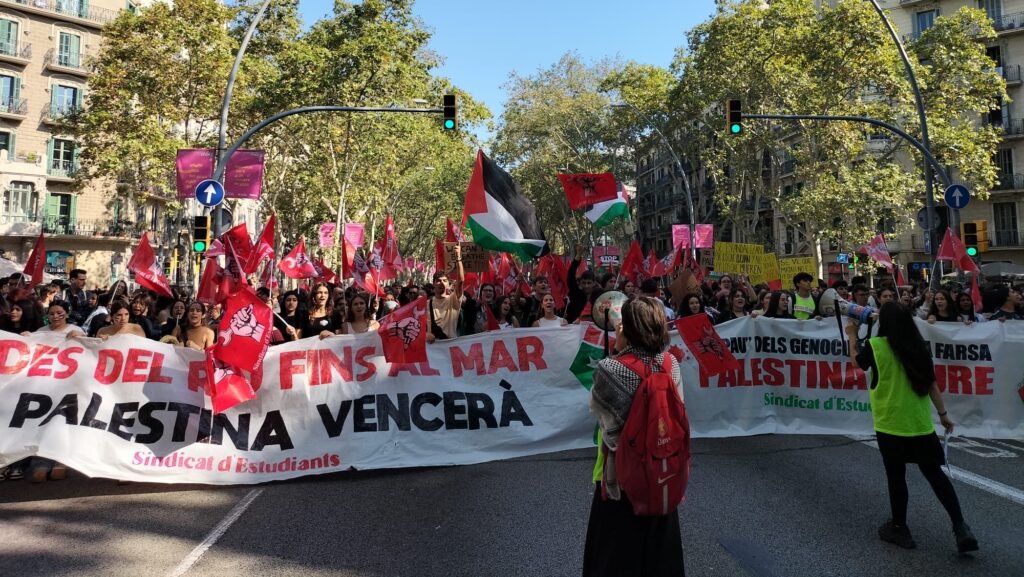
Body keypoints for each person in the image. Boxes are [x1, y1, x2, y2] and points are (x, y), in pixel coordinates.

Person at [846, 302, 977, 553]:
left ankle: (899, 527)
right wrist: (943, 415)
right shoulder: (919, 347)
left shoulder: (876, 345)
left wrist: (852, 335)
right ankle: (960, 526)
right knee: (935, 475)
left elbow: (856, 363)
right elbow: (931, 383)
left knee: (896, 477)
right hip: (919, 423)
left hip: (890, 423)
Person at [584, 296, 685, 576]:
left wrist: (616, 353)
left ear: (628, 328)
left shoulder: (610, 369)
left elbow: (606, 426)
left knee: (614, 557)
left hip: (622, 481)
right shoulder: (670, 363)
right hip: (662, 473)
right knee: (660, 558)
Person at [428, 250, 464, 342]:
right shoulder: (426, 304)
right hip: (433, 347)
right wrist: (426, 334)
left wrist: (458, 258)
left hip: (450, 346)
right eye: (438, 281)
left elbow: (460, 281)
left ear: (448, 284)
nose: (441, 283)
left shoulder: (453, 300)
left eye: (444, 280)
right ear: (433, 283)